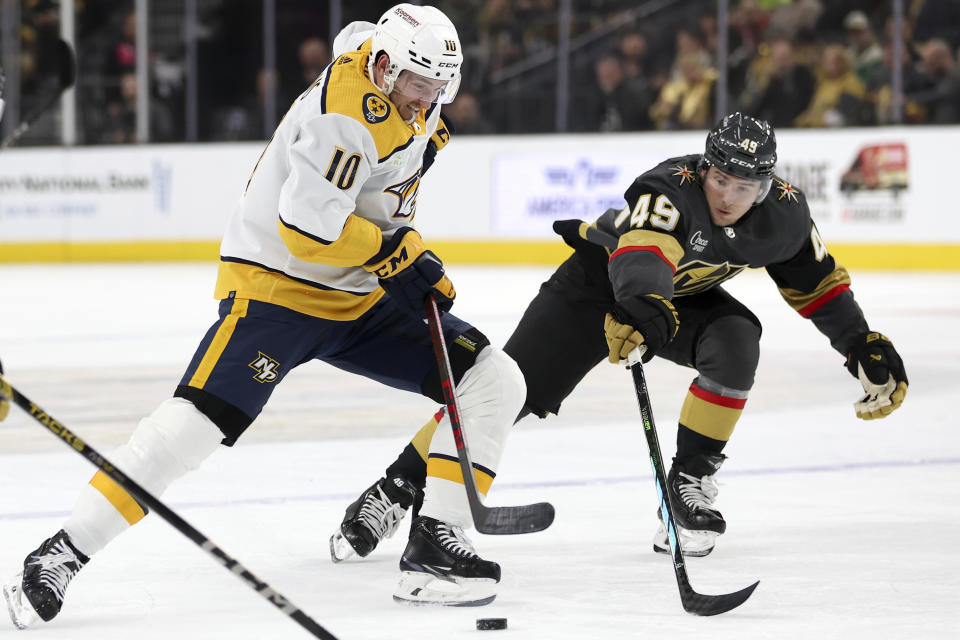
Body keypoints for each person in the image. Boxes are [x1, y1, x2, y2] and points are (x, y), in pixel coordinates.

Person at [2, 4, 530, 628]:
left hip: (359, 294)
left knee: (494, 380)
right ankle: (62, 552)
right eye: (419, 86)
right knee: (192, 428)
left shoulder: (404, 76)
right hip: (280, 289)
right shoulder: (345, 113)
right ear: (384, 69)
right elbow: (307, 227)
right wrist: (396, 254)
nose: (428, 100)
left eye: (440, 87)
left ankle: (429, 542)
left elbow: (373, 109)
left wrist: (396, 259)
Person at [329, 112, 908, 563]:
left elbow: (816, 284)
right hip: (598, 287)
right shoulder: (670, 190)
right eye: (720, 178)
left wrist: (860, 343)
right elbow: (644, 255)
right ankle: (397, 488)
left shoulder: (784, 216)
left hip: (670, 301)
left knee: (736, 340)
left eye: (744, 185)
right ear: (705, 167)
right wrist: (642, 303)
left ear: (767, 185)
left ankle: (688, 486)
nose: (727, 195)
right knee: (505, 393)